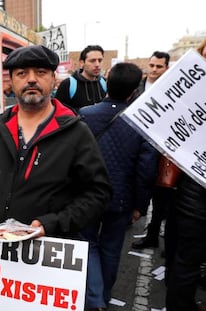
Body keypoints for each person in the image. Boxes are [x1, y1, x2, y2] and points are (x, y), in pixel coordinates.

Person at [0, 45, 112, 276]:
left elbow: (99, 193)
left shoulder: (76, 132)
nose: (31, 80)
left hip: (46, 258)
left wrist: (52, 224)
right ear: (11, 80)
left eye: (40, 72)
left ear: (53, 79)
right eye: (21, 74)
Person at [79, 63, 159, 311]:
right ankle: (103, 296)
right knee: (111, 249)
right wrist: (140, 205)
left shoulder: (85, 114)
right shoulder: (141, 122)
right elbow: (146, 170)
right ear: (134, 91)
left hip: (86, 195)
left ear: (107, 82)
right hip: (121, 198)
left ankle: (94, 298)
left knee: (88, 244)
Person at [131, 51, 172, 250]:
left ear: (167, 68)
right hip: (138, 147)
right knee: (140, 189)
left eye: (159, 66)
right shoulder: (137, 87)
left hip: (164, 153)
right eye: (152, 65)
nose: (154, 70)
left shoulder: (172, 89)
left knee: (162, 199)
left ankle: (157, 236)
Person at [165, 173, 206, 311]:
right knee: (187, 266)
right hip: (198, 211)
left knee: (185, 265)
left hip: (189, 204)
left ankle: (181, 303)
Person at [54, 45, 107, 111]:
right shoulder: (68, 84)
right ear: (82, 63)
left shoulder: (104, 83)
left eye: (100, 60)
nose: (97, 64)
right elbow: (59, 112)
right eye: (92, 61)